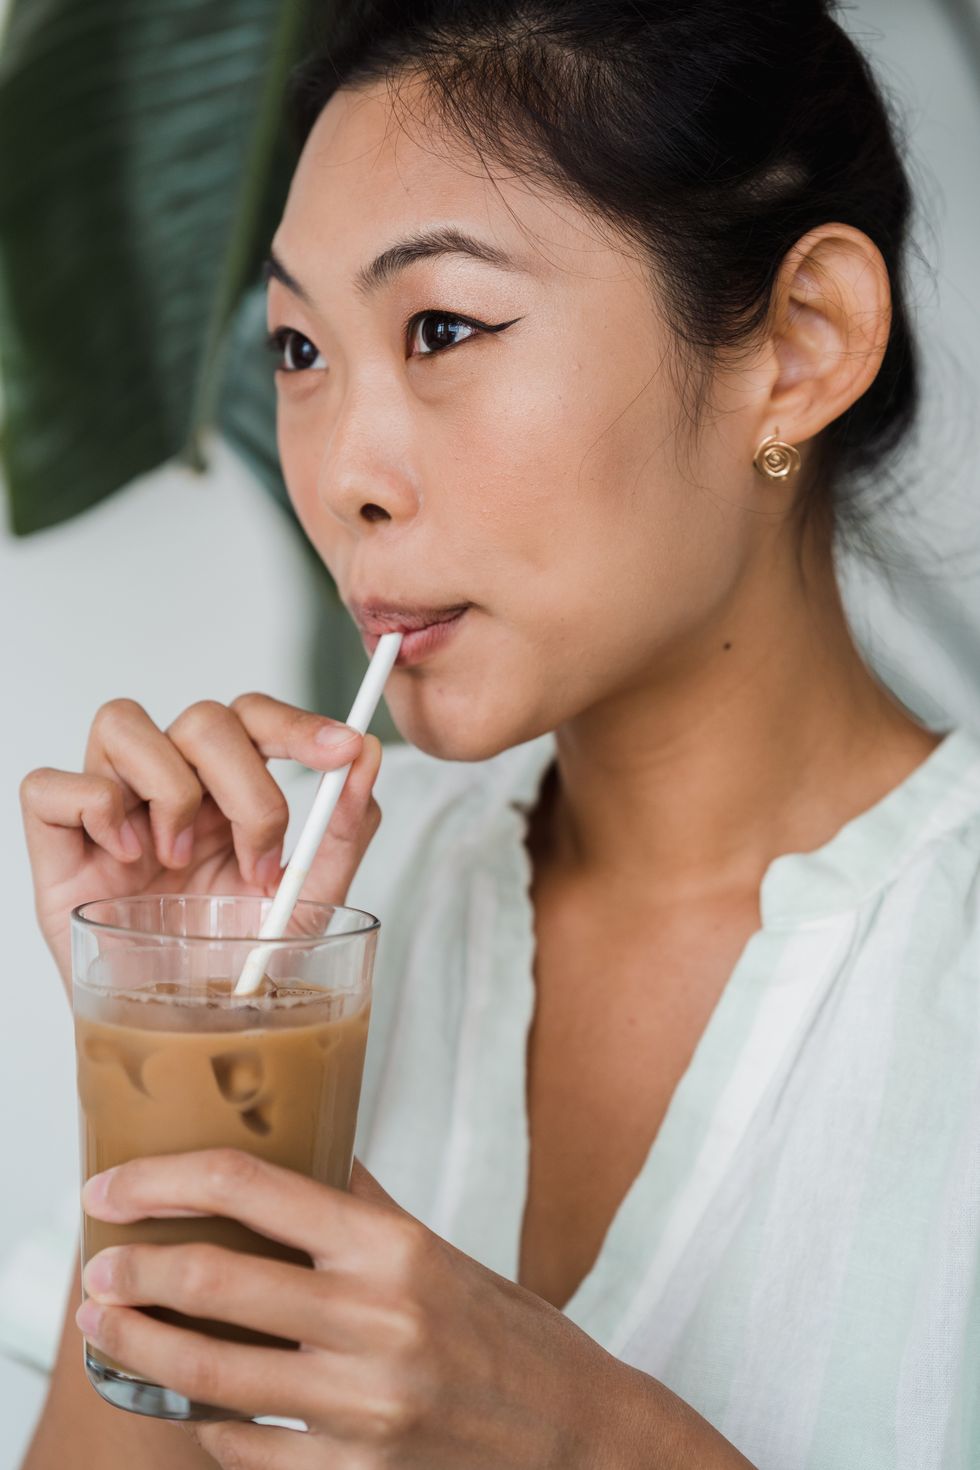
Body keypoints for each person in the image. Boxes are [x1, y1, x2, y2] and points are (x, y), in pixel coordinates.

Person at [18, 0, 980, 1465]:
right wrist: (174, 1058)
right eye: (295, 350)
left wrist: (590, 1440)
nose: (341, 471)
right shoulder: (332, 932)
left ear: (799, 344)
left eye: (444, 325)